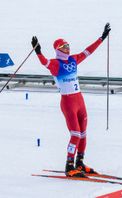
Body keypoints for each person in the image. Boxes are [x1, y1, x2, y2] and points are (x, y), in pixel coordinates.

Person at [31, 23, 111, 177]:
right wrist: (38, 52)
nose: (67, 48)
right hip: (68, 103)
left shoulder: (73, 60)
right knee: (75, 134)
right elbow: (45, 63)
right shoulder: (56, 64)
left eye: (68, 45)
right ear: (58, 49)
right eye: (64, 46)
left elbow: (88, 52)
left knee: (83, 134)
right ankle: (69, 165)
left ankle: (79, 163)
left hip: (79, 100)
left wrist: (101, 38)